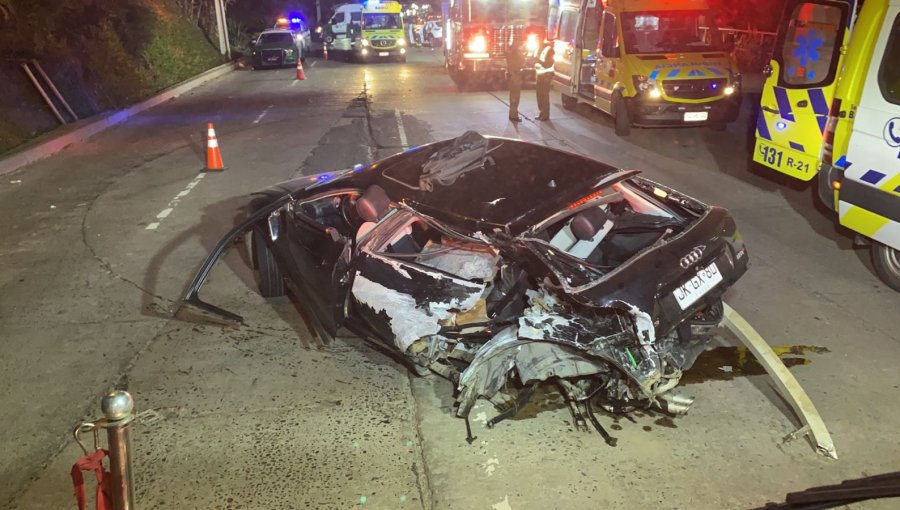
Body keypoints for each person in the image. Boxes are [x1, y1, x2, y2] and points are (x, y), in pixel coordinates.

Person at [534, 41, 555, 121]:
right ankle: (541, 113)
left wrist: (538, 61)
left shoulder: (549, 50)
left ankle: (545, 115)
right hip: (540, 75)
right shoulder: (539, 49)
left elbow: (548, 64)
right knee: (539, 95)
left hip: (546, 76)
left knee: (544, 96)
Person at [506, 40, 525, 122]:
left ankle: (512, 114)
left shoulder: (510, 54)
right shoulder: (516, 56)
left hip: (512, 76)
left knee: (512, 96)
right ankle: (514, 115)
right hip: (515, 77)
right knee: (515, 97)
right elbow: (520, 64)